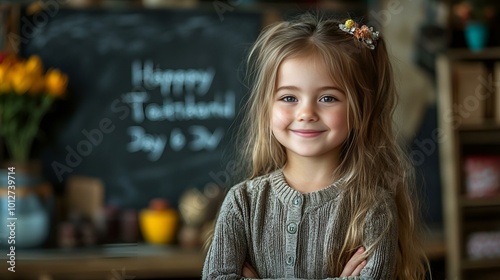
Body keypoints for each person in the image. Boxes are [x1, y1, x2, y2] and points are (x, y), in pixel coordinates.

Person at [203, 12, 428, 280]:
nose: (306, 113)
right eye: (288, 97)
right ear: (266, 109)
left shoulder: (372, 208)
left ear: (360, 112)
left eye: (328, 98)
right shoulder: (242, 203)